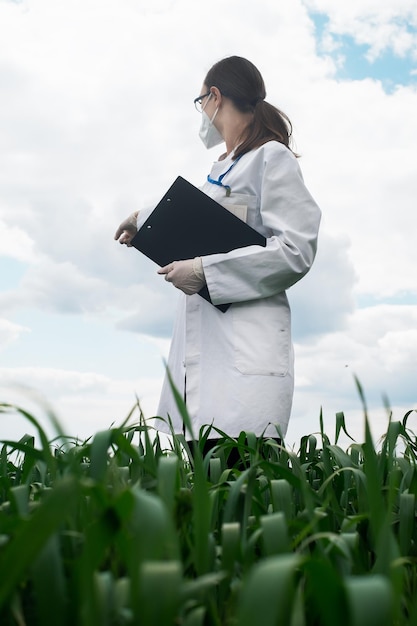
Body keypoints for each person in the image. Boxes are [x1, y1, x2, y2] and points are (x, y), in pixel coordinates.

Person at [115, 56, 321, 454]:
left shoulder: (270, 158)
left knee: (242, 500)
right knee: (207, 499)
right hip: (201, 373)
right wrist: (146, 219)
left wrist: (207, 272)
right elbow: (205, 222)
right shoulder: (221, 170)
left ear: (214, 96)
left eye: (201, 102)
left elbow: (295, 251)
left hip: (244, 372)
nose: (203, 114)